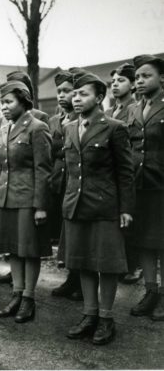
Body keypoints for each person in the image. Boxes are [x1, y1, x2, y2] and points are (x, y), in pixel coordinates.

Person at [62, 73, 134, 345]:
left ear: (100, 98)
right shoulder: (70, 127)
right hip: (76, 205)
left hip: (105, 206)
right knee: (82, 262)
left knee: (106, 265)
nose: (76, 98)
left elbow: (125, 172)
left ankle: (106, 318)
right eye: (75, 94)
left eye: (84, 94)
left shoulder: (114, 128)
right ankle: (89, 314)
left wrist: (126, 208)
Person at [0, 81, 52, 323]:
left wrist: (40, 206)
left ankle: (29, 298)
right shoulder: (4, 128)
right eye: (2, 102)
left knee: (29, 250)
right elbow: (1, 167)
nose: (4, 107)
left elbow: (43, 170)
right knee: (13, 249)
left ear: (24, 101)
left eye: (9, 102)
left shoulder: (37, 128)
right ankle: (16, 294)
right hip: (6, 197)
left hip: (27, 198)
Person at [127, 54, 164, 321]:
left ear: (161, 78)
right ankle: (151, 291)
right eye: (137, 77)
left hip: (161, 186)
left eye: (146, 75)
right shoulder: (133, 109)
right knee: (145, 243)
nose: (140, 81)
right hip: (139, 187)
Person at [104, 63, 142, 285]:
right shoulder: (108, 112)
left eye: (121, 81)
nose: (116, 85)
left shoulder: (135, 109)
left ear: (133, 84)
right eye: (113, 82)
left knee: (130, 217)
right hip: (112, 171)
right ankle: (119, 261)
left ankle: (133, 264)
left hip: (131, 168)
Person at [48, 71, 83, 301]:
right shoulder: (53, 121)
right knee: (65, 232)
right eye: (59, 91)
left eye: (67, 91)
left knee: (77, 232)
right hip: (58, 181)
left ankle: (80, 282)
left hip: (76, 181)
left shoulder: (80, 120)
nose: (62, 95)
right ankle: (72, 278)